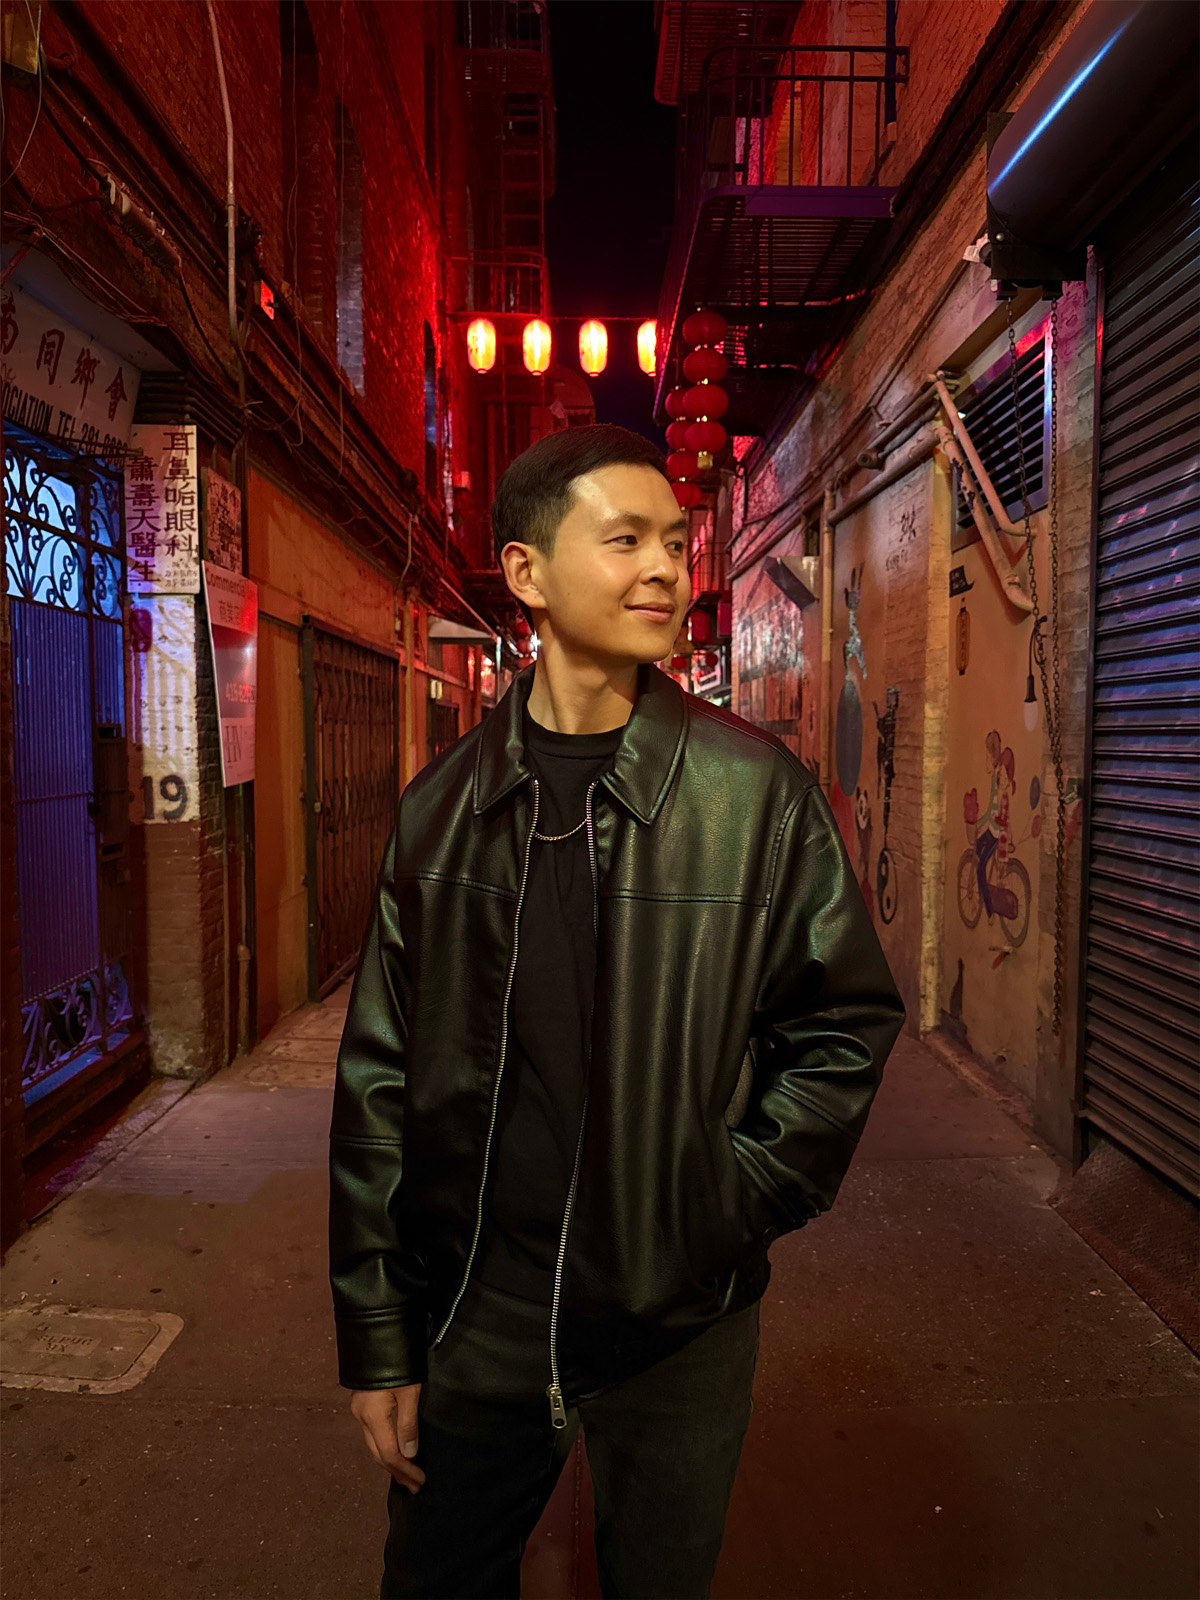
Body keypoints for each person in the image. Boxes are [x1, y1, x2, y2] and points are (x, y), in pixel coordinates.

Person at [328, 424, 906, 1600]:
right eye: (626, 539)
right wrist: (381, 1338)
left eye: (676, 543)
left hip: (677, 1317)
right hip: (480, 1310)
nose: (665, 570)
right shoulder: (442, 815)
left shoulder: (756, 796)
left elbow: (843, 1025)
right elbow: (378, 1087)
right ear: (528, 573)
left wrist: (722, 1199)